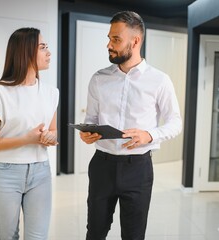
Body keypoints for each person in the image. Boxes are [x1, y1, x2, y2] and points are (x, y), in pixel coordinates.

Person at [79, 11, 182, 240]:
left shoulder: (159, 80)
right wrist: (87, 132)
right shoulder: (98, 78)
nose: (109, 44)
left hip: (138, 169)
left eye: (116, 39)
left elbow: (176, 122)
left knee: (134, 236)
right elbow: (91, 120)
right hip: (102, 167)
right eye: (109, 38)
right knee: (95, 232)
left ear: (135, 41)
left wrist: (149, 135)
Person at [0, 27, 59, 240]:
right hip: (6, 174)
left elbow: (53, 130)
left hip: (41, 173)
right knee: (7, 236)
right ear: (24, 52)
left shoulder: (51, 93)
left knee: (37, 237)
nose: (49, 52)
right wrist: (26, 139)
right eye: (42, 47)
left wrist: (50, 137)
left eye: (47, 47)